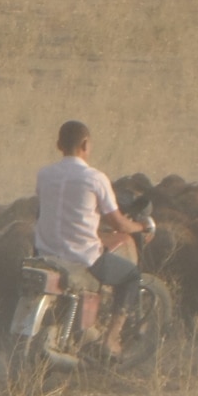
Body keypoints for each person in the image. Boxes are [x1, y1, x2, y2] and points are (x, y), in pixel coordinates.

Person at [34, 120, 150, 358]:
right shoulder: (95, 178)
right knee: (130, 276)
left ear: (58, 145)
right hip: (82, 258)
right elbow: (117, 223)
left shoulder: (44, 175)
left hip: (44, 255)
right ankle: (111, 339)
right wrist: (140, 227)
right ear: (86, 144)